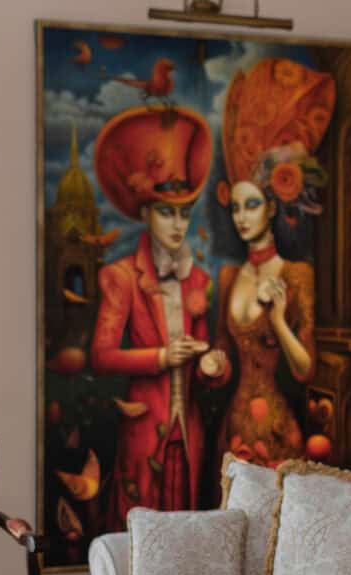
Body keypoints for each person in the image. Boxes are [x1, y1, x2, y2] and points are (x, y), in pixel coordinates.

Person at [200, 58, 336, 470]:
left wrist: (277, 319)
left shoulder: (297, 274)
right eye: (236, 207)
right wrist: (214, 365)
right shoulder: (228, 275)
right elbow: (223, 353)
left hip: (277, 434)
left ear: (272, 207)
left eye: (252, 205)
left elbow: (305, 369)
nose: (242, 217)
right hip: (234, 431)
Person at [91, 106, 214, 530]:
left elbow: (205, 366)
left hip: (188, 435)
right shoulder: (122, 276)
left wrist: (213, 365)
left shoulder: (199, 279)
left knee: (189, 537)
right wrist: (162, 356)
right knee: (140, 539)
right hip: (144, 433)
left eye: (184, 212)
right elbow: (101, 356)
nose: (178, 224)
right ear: (145, 213)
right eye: (166, 212)